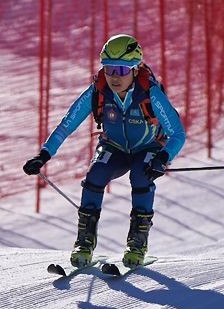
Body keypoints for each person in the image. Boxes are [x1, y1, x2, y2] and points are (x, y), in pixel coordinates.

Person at [23, 34, 187, 268]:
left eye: (121, 70)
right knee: (95, 175)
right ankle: (84, 243)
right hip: (115, 147)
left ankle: (137, 244)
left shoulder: (150, 93)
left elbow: (178, 134)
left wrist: (163, 157)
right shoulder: (98, 91)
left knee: (141, 175)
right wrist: (44, 154)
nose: (114, 77)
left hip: (147, 148)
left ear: (135, 68)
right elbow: (66, 125)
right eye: (109, 69)